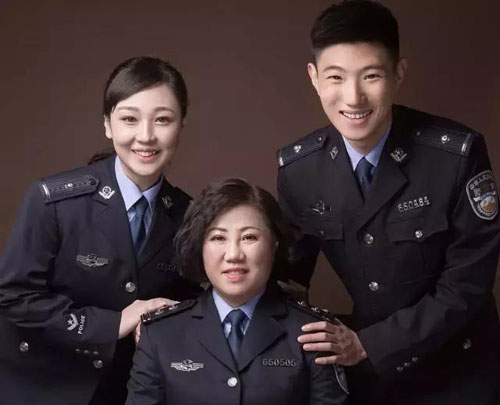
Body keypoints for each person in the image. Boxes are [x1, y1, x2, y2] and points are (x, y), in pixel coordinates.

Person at [277, 1, 500, 404]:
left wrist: (368, 345)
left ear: (398, 73)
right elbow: (287, 277)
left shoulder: (455, 156)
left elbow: (467, 285)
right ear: (314, 77)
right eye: (335, 77)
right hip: (373, 376)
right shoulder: (300, 169)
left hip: (460, 369)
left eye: (371, 76)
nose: (353, 97)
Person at [0, 56, 201, 405]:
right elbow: (13, 298)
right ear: (107, 124)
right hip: (44, 387)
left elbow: (196, 302)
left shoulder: (190, 215)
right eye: (129, 119)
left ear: (181, 125)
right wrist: (114, 322)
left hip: (132, 391)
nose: (146, 136)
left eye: (163, 120)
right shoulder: (53, 201)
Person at [125, 178, 349, 404]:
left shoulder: (314, 333)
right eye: (218, 238)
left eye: (249, 237)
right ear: (200, 247)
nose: (233, 255)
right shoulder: (160, 334)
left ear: (274, 244)